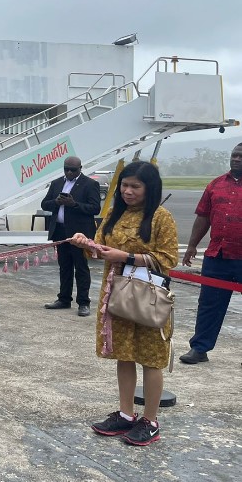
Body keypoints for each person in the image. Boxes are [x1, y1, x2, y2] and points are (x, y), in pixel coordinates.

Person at [69, 161, 178, 446]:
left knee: (152, 358)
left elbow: (168, 259)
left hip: (148, 296)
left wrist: (127, 257)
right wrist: (86, 244)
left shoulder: (161, 217)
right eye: (124, 186)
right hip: (117, 294)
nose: (128, 192)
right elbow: (100, 249)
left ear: (149, 188)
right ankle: (126, 414)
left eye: (135, 187)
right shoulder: (114, 214)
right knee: (124, 354)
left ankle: (150, 421)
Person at [179, 143, 242, 365]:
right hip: (218, 256)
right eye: (234, 155)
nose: (237, 159)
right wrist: (191, 246)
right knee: (209, 304)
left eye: (241, 156)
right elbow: (203, 217)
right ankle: (199, 348)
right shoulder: (215, 185)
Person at [40, 156, 101, 316]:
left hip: (79, 234)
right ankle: (64, 299)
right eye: (66, 169)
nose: (69, 172)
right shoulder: (56, 183)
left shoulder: (90, 184)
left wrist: (74, 204)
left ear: (80, 168)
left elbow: (95, 208)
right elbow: (44, 204)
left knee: (81, 267)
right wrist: (56, 202)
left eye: (73, 170)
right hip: (60, 231)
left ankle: (83, 302)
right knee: (65, 266)